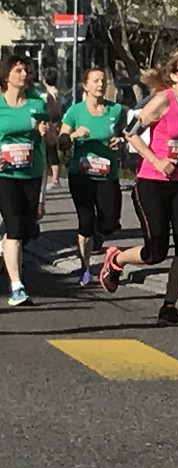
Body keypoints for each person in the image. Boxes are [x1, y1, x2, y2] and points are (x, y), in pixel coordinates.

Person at [99, 51, 178, 325]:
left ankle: (169, 306)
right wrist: (158, 161)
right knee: (155, 252)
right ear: (174, 76)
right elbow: (130, 132)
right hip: (152, 183)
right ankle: (117, 259)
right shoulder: (162, 100)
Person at [59, 67, 126, 286]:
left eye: (103, 81)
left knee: (108, 223)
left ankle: (100, 233)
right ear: (85, 85)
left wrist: (121, 141)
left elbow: (125, 134)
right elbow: (61, 141)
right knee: (85, 222)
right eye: (96, 81)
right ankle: (85, 267)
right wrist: (73, 135)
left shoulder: (116, 110)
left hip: (107, 174)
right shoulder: (75, 112)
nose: (100, 84)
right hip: (81, 175)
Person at [0, 54, 54, 306]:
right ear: (6, 75)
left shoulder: (37, 104)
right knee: (14, 228)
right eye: (18, 70)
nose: (24, 74)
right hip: (4, 175)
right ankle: (17, 286)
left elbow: (51, 141)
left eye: (26, 70)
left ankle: (5, 252)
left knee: (26, 228)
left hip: (31, 174)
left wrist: (46, 133)